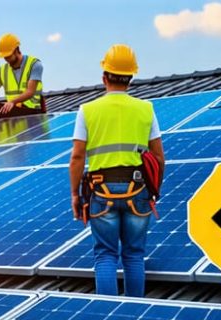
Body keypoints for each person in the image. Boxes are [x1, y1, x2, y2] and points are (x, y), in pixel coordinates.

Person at [69, 44, 165, 297]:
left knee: (105, 256)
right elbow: (158, 157)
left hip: (101, 191)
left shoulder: (87, 111)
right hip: (139, 190)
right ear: (131, 78)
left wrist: (75, 195)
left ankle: (105, 315)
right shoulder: (146, 109)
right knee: (134, 255)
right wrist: (155, 190)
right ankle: (136, 312)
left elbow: (77, 156)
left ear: (104, 77)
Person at [0, 33, 45, 119]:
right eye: (4, 56)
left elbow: (30, 92)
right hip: (13, 112)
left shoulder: (35, 65)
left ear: (17, 50)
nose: (6, 59)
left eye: (8, 56)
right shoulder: (2, 71)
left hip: (33, 113)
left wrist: (12, 102)